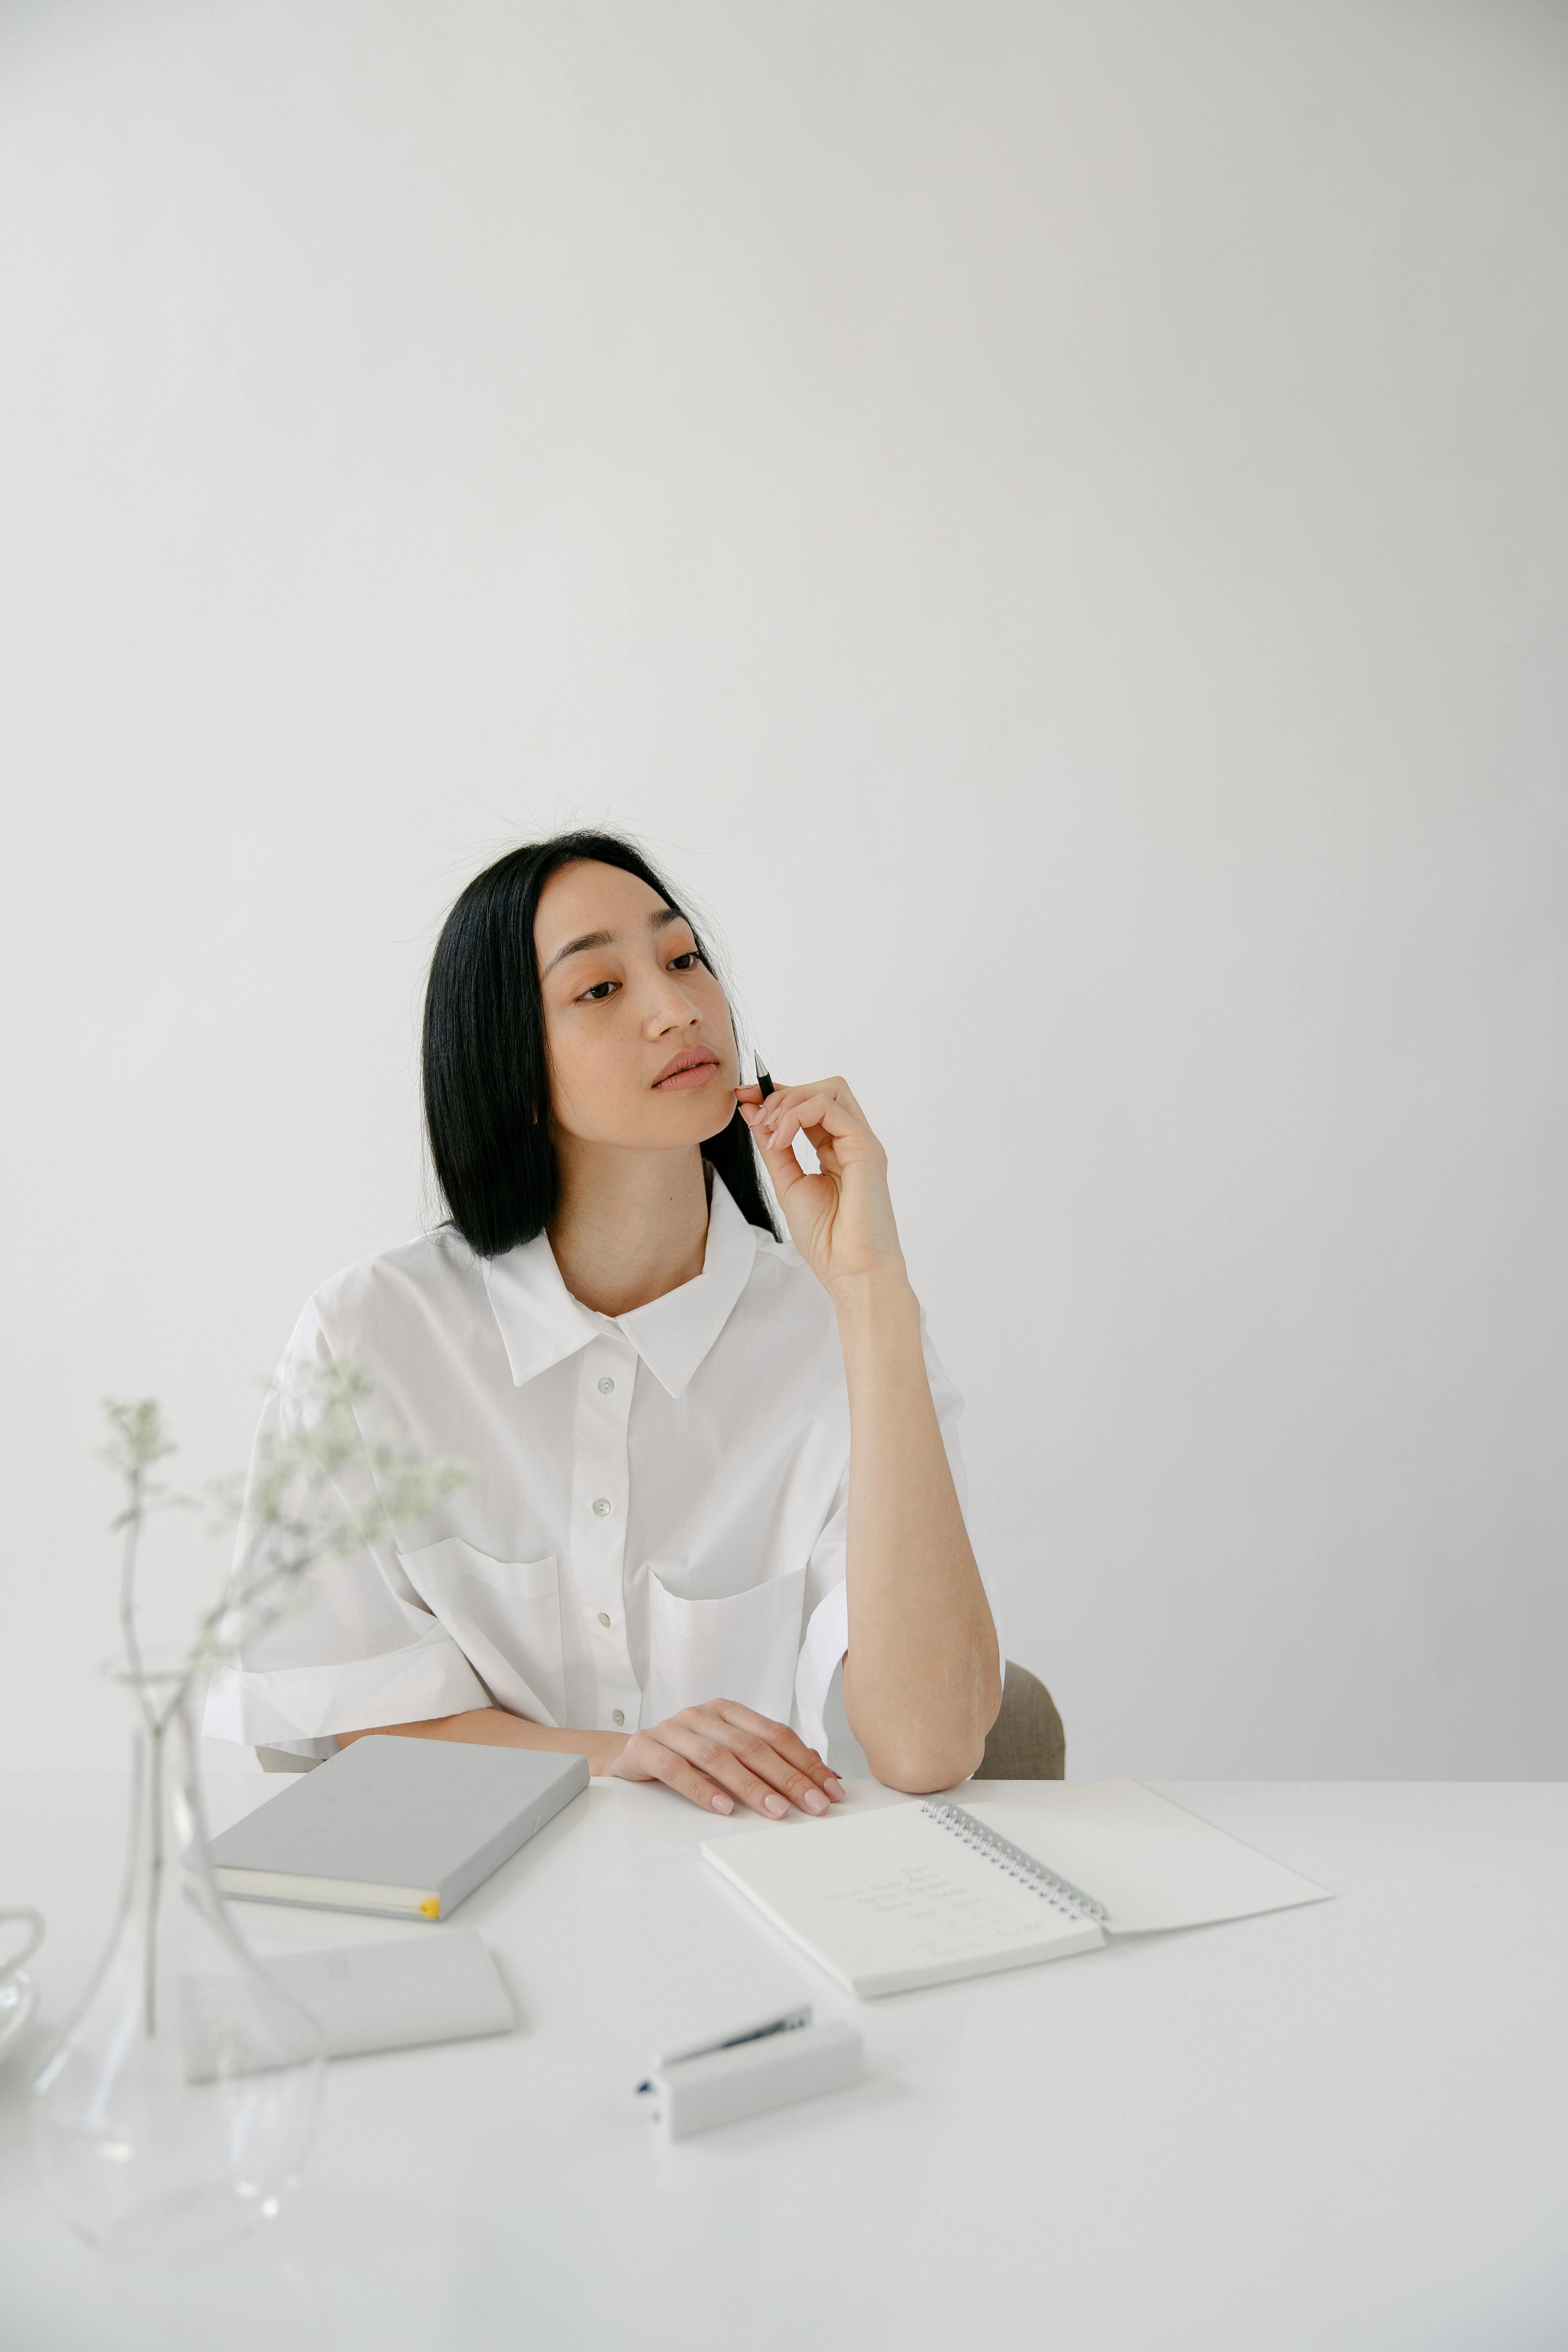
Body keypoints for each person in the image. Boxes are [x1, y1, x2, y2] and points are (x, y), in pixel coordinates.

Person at [205, 832, 1002, 1815]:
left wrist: (872, 1292)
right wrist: (613, 1758)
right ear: (511, 1069)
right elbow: (347, 1706)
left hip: (756, 1913)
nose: (677, 1010)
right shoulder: (370, 1338)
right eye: (598, 990)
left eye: (682, 961)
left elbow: (929, 1746)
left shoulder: (843, 1333)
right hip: (474, 1910)